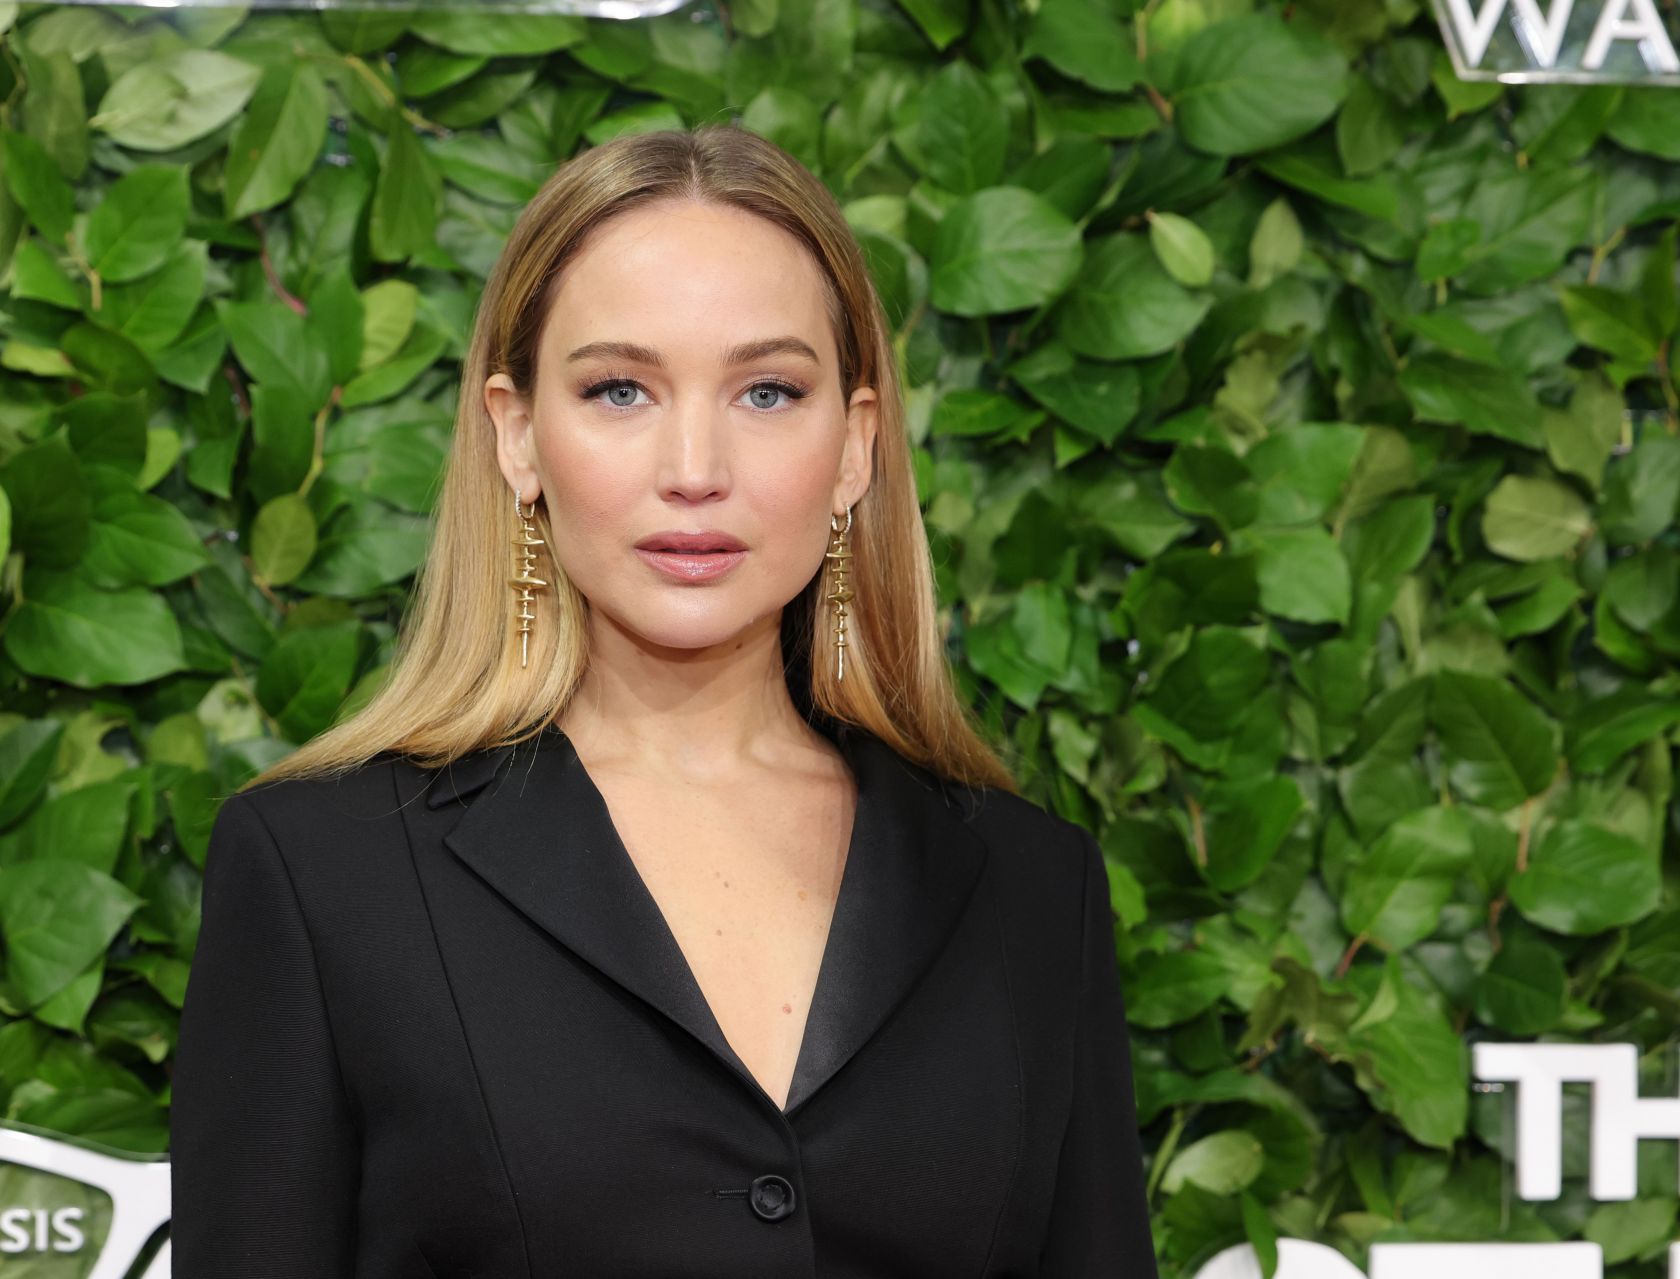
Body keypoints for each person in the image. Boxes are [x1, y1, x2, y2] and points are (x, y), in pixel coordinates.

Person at [167, 122, 1158, 1277]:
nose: (695, 465)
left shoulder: (1034, 891)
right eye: (622, 388)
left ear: (856, 445)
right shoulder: (321, 875)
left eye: (770, 391)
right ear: (518, 431)